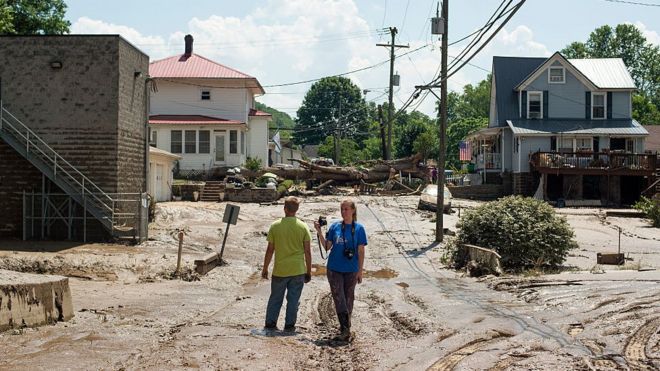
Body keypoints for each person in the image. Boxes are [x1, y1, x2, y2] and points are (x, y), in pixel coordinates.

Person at [314, 199, 367, 341]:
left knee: (349, 298)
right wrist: (319, 231)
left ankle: (345, 326)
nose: (344, 212)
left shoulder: (360, 229)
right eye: (342, 209)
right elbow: (327, 247)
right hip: (334, 268)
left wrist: (360, 271)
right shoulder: (335, 227)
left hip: (351, 269)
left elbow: (361, 252)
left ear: (353, 210)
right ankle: (345, 328)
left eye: (346, 209)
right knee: (339, 298)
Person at [262, 196, 312, 332]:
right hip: (298, 270)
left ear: (284, 209)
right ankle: (289, 326)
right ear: (297, 210)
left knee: (275, 298)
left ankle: (270, 325)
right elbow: (307, 252)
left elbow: (270, 250)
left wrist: (265, 268)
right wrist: (308, 271)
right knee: (293, 300)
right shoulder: (303, 227)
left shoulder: (275, 226)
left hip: (280, 270)